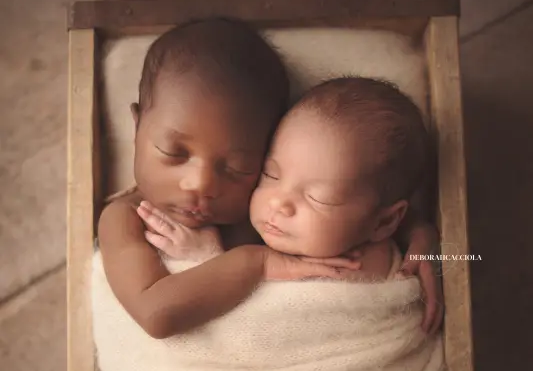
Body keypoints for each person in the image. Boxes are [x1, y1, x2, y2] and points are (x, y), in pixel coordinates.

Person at [98, 19, 442, 341]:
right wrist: (258, 262)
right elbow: (155, 314)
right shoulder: (126, 219)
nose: (202, 184)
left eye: (237, 168)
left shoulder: (266, 207)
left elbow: (361, 207)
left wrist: (422, 235)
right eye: (174, 153)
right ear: (137, 126)